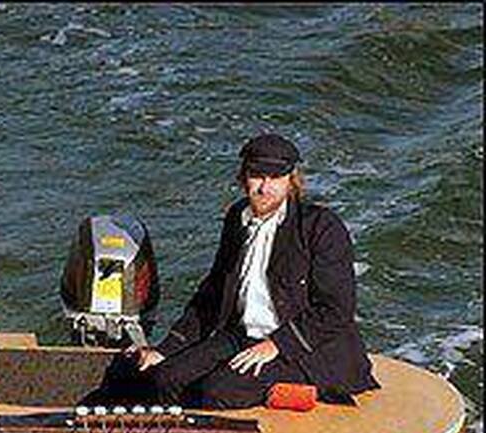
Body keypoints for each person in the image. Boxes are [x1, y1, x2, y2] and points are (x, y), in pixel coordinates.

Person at [85, 132, 379, 409]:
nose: (265, 187)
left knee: (217, 390)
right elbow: (212, 293)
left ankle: (288, 392)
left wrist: (276, 345)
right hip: (240, 335)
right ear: (243, 178)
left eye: (275, 177)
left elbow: (336, 309)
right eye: (257, 176)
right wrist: (166, 349)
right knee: (166, 377)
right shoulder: (238, 218)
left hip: (304, 349)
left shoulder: (321, 227)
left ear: (292, 180)